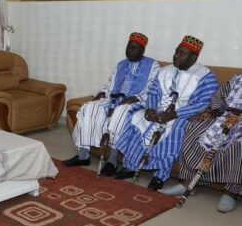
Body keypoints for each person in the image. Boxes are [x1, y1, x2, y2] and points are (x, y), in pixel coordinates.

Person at [115, 35, 218, 190]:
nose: (176, 56)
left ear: (194, 57)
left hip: (182, 114)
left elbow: (203, 104)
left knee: (176, 127)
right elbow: (153, 93)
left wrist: (174, 114)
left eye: (182, 53)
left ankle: (160, 175)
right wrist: (150, 109)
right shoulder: (165, 71)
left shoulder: (206, 77)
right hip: (159, 110)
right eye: (176, 52)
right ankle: (130, 165)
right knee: (136, 116)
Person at [64, 32, 160, 176]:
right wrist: (101, 93)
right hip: (114, 99)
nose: (129, 50)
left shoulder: (152, 65)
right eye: (128, 46)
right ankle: (83, 155)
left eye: (134, 48)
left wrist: (133, 98)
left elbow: (153, 89)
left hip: (137, 102)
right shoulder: (121, 64)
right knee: (89, 107)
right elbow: (110, 83)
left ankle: (112, 161)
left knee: (121, 112)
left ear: (142, 50)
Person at [161, 74, 242, 212]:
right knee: (194, 128)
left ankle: (231, 192)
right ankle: (189, 183)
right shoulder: (237, 78)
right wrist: (215, 110)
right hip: (225, 116)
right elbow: (218, 96)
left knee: (238, 143)